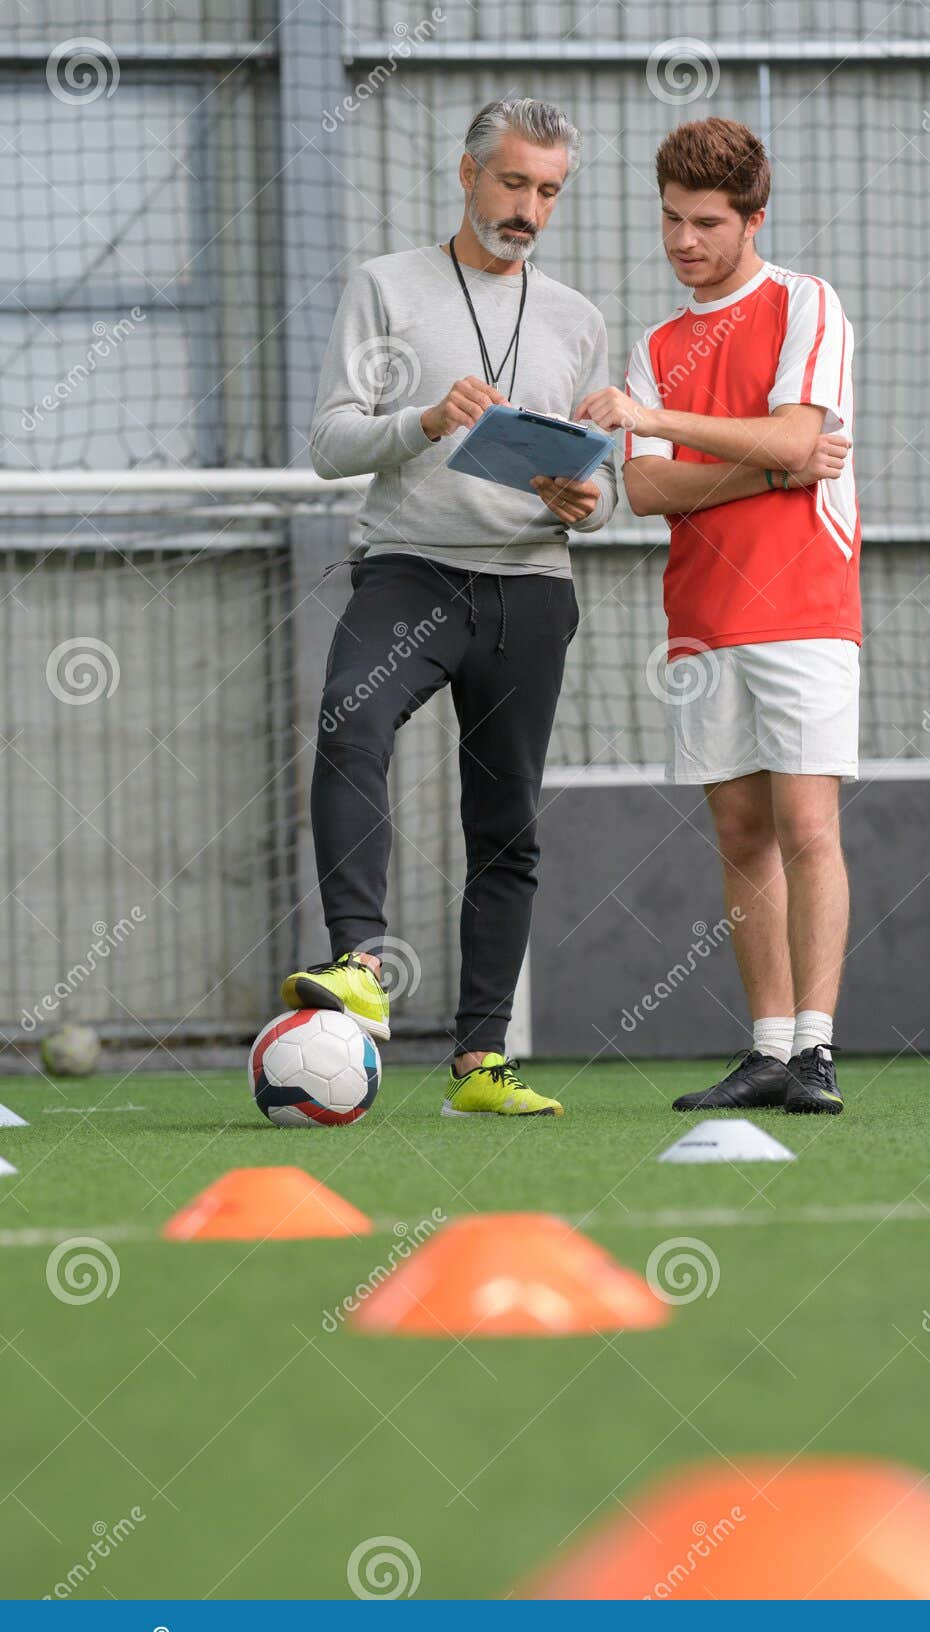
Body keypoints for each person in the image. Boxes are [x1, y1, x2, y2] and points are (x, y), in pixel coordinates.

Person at [282, 98, 617, 1119]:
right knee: (350, 716)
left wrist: (581, 501)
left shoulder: (577, 319)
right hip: (413, 569)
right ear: (466, 172)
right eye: (512, 182)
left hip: (531, 585)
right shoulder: (385, 285)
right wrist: (424, 421)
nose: (527, 207)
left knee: (505, 825)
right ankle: (355, 964)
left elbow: (602, 499)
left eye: (547, 191)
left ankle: (480, 1064)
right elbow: (331, 444)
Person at [577, 117, 859, 1116]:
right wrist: (768, 465)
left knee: (806, 827)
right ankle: (768, 1050)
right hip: (699, 618)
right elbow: (648, 494)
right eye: (668, 219)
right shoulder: (656, 342)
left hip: (804, 606)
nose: (682, 241)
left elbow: (789, 432)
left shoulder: (804, 302)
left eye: (703, 222)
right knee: (738, 832)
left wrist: (664, 424)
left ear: (751, 218)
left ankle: (817, 1052)